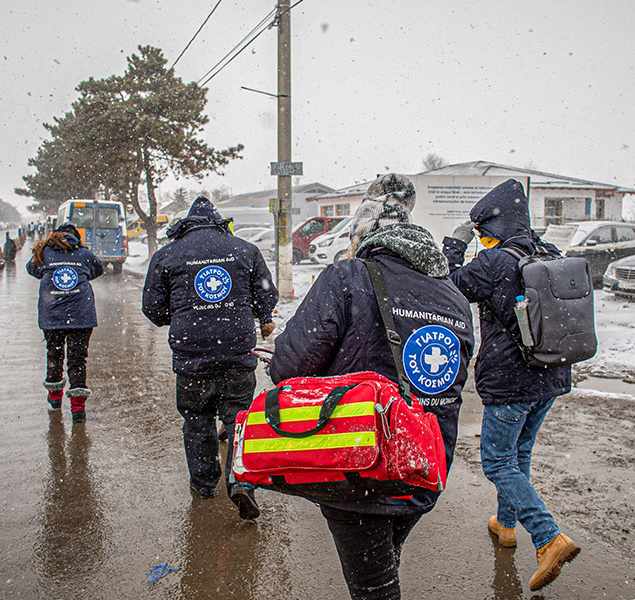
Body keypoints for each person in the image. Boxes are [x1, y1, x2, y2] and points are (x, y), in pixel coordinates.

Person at [269, 174, 475, 600]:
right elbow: (454, 378)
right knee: (384, 560)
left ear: (365, 236)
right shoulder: (453, 296)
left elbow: (289, 368)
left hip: (360, 463)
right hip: (424, 463)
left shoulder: (347, 277)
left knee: (374, 587)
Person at [441, 178, 579, 592]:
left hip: (511, 381)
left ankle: (547, 537)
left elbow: (450, 286)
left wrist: (454, 244)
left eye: (484, 234)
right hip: (551, 374)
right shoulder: (548, 253)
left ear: (493, 230)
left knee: (497, 462)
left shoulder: (496, 262)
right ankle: (505, 524)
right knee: (518, 456)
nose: (483, 241)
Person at [142, 196, 277, 520]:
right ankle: (241, 480)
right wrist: (258, 314)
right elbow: (267, 295)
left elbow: (152, 308)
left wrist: (180, 316)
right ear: (219, 222)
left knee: (197, 420)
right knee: (239, 420)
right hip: (235, 353)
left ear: (186, 224)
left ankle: (203, 484)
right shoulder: (245, 250)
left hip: (192, 357)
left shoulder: (168, 254)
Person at [26, 223, 104, 423]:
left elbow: (32, 269)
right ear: (75, 237)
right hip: (81, 315)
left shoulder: (45, 252)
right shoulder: (84, 254)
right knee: (78, 359)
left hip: (52, 315)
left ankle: (54, 401)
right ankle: (78, 409)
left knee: (54, 355)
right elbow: (97, 270)